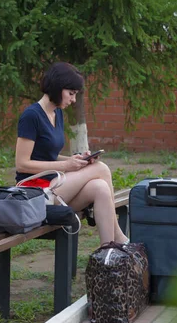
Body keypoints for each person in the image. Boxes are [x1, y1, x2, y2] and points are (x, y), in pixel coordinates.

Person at [15, 62, 129, 245]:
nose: (73, 100)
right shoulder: (31, 116)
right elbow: (22, 164)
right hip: (34, 193)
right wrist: (65, 166)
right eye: (71, 94)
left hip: (55, 187)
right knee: (101, 169)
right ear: (58, 87)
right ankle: (120, 237)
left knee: (100, 187)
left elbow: (47, 156)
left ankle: (109, 249)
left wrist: (76, 160)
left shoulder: (56, 114)